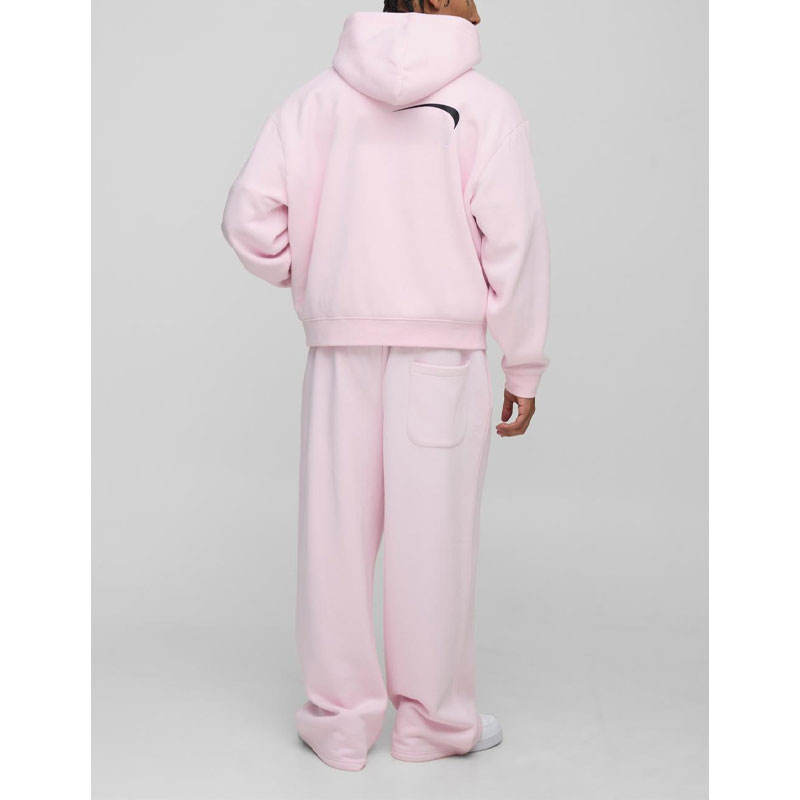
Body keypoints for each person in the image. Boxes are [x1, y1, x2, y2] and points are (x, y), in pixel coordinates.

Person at [222, 0, 549, 772]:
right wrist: (524, 359)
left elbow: (249, 219)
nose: (479, 4)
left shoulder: (313, 102)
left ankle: (338, 723)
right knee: (433, 541)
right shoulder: (484, 105)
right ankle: (432, 724)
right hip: (443, 357)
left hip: (341, 353)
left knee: (333, 542)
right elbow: (515, 240)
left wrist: (323, 274)